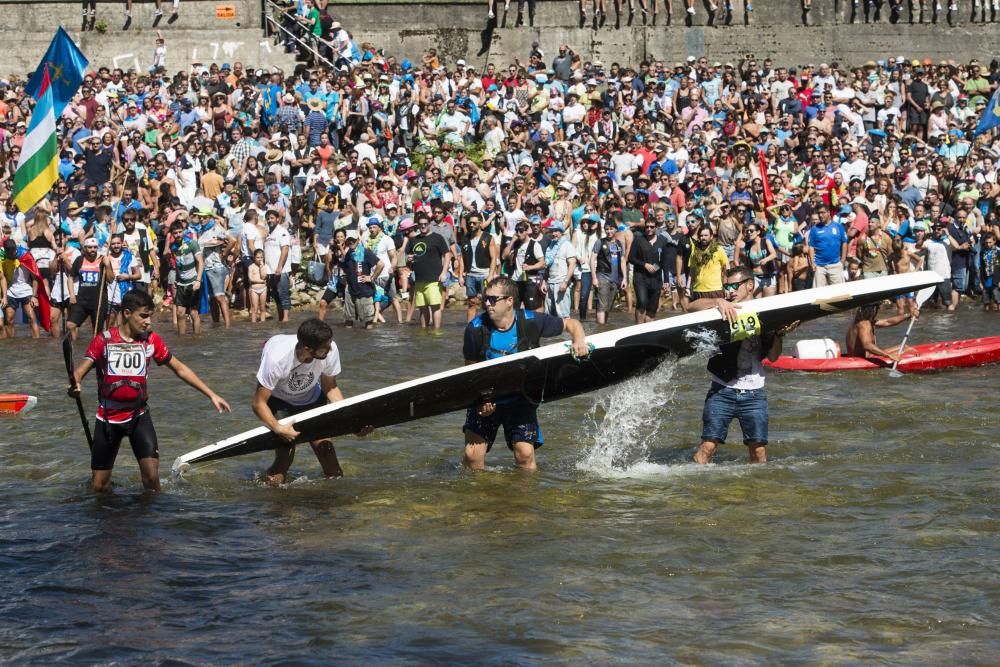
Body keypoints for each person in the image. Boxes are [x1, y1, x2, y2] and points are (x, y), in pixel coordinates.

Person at [69, 289, 231, 493]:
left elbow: (180, 368)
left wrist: (211, 394)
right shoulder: (104, 340)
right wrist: (74, 385)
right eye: (143, 316)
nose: (148, 322)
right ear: (127, 313)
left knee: (152, 481)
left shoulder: (151, 340)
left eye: (150, 317)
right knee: (99, 486)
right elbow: (79, 372)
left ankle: (151, 522)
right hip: (108, 419)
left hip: (139, 416)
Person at [462, 276, 589, 471]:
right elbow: (469, 371)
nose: (487, 304)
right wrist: (479, 401)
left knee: (525, 455)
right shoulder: (475, 329)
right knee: (472, 456)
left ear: (510, 301)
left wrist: (579, 340)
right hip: (486, 400)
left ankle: (524, 498)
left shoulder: (531, 321)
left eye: (492, 299)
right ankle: (477, 497)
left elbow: (571, 324)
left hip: (519, 398)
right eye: (485, 298)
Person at [687, 265, 799, 465]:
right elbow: (690, 306)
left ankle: (757, 493)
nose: (729, 291)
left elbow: (773, 358)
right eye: (726, 286)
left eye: (734, 286)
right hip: (722, 389)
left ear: (749, 285)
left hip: (754, 393)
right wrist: (717, 301)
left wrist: (780, 334)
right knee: (708, 447)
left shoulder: (767, 312)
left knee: (759, 452)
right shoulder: (719, 307)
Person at [253, 318, 368, 485]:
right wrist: (278, 428)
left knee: (330, 460)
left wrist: (353, 423)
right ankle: (272, 504)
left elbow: (330, 388)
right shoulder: (277, 359)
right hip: (279, 402)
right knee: (284, 460)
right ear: (308, 348)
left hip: (312, 400)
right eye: (324, 348)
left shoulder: (330, 349)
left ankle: (330, 508)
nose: (330, 350)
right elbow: (258, 403)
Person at [407, 212, 451, 329]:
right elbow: (409, 257)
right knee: (422, 307)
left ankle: (436, 331)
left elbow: (447, 254)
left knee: (435, 306)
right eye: (420, 224)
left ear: (429, 224)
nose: (423, 226)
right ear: (417, 225)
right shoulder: (414, 240)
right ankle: (424, 332)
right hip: (419, 278)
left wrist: (444, 273)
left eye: (425, 224)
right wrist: (410, 259)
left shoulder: (437, 238)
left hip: (434, 278)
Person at [627, 218, 671, 323]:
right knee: (642, 302)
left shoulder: (662, 241)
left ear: (656, 228)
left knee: (652, 307)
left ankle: (647, 331)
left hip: (656, 279)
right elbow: (631, 258)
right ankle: (638, 328)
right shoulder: (638, 240)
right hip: (640, 277)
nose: (649, 229)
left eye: (652, 227)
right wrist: (644, 264)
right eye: (647, 227)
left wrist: (666, 280)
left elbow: (665, 262)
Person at [844, 303, 916, 361]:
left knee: (904, 346)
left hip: (861, 357)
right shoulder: (864, 324)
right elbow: (867, 345)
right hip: (862, 361)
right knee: (908, 350)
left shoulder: (858, 322)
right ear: (873, 310)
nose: (877, 311)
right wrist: (888, 355)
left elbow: (888, 322)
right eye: (878, 308)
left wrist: (909, 315)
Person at [340, 234, 384, 328]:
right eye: (348, 241)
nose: (351, 242)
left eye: (353, 240)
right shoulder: (348, 253)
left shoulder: (365, 252)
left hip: (364, 290)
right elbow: (346, 269)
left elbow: (381, 264)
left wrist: (371, 278)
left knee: (368, 322)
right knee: (348, 321)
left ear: (358, 240)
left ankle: (368, 341)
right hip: (351, 290)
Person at [590, 219, 625, 324]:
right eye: (606, 229)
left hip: (615, 278)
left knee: (608, 306)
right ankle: (601, 329)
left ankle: (603, 325)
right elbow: (592, 259)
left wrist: (625, 279)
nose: (609, 231)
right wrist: (594, 278)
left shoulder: (619, 244)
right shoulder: (600, 242)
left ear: (616, 230)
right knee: (602, 305)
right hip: (602, 276)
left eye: (611, 229)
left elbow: (622, 261)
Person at [808, 205, 848, 287]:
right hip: (819, 266)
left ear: (829, 213)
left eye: (823, 213)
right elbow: (811, 246)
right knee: (819, 295)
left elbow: (844, 242)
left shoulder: (838, 226)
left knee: (839, 293)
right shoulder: (815, 228)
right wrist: (812, 263)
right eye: (819, 213)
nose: (820, 215)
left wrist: (843, 260)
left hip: (835, 265)